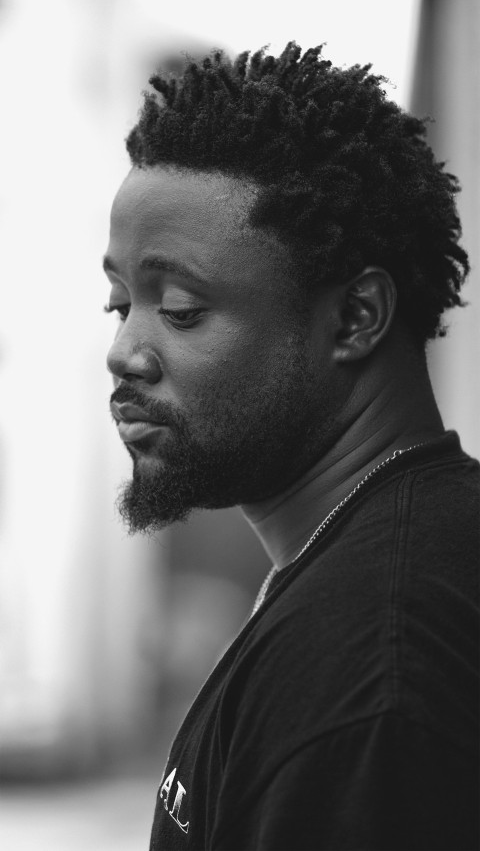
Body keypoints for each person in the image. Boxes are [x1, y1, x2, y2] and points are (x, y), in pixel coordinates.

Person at [103, 43, 479, 851]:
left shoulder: (371, 684)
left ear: (354, 318)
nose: (125, 351)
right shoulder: (386, 555)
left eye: (178, 307)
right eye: (119, 302)